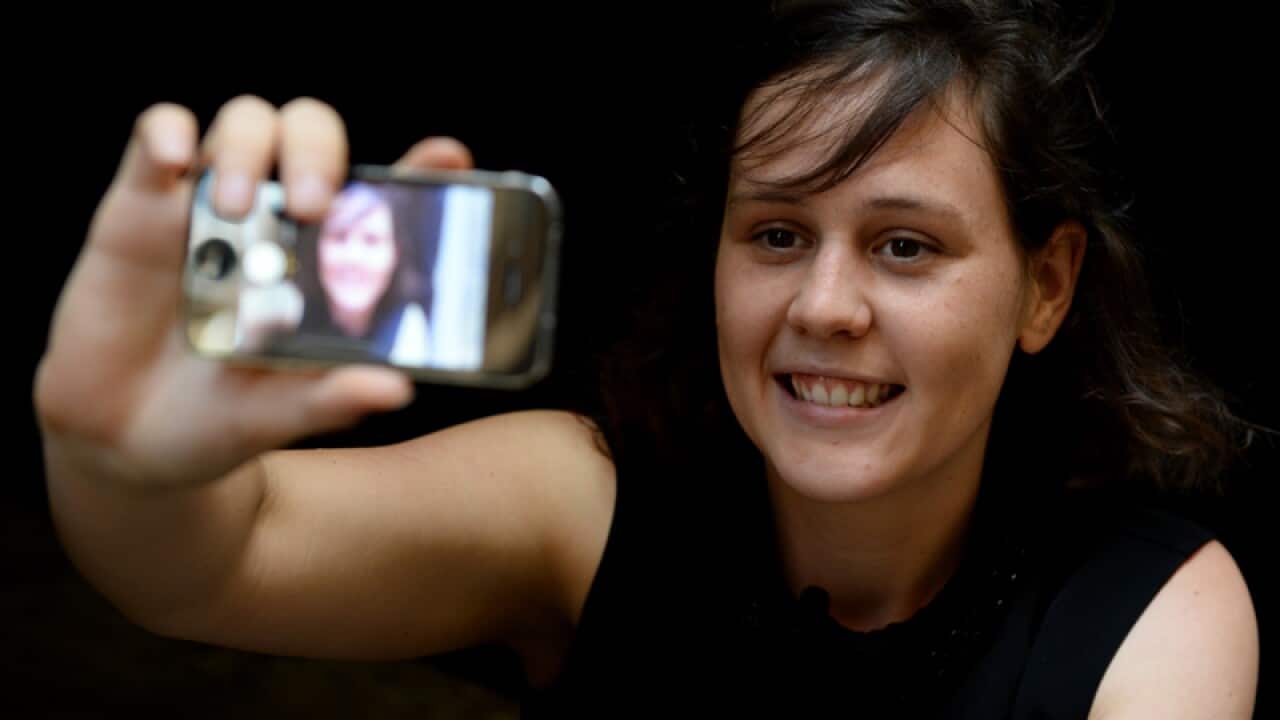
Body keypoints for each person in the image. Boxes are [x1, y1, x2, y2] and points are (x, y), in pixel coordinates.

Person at [34, 1, 1260, 717]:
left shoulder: (1154, 618)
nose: (824, 306)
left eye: (903, 246)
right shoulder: (578, 505)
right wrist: (119, 460)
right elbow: (207, 562)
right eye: (775, 234)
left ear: (1042, 288)